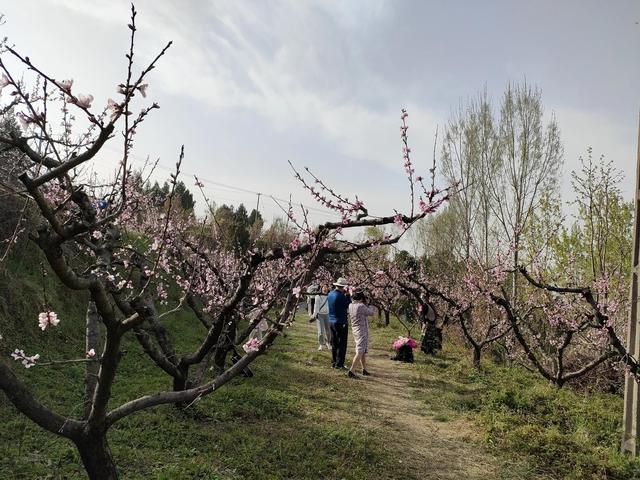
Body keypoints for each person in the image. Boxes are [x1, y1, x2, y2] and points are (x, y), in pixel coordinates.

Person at [347, 291, 376, 378]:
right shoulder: (361, 306)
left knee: (362, 350)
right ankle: (352, 370)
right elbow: (371, 313)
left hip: (355, 330)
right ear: (361, 298)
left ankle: (364, 369)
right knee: (360, 351)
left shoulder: (350, 305)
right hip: (361, 331)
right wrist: (371, 304)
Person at [327, 277, 351, 369]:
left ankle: (334, 362)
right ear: (343, 287)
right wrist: (348, 295)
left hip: (331, 320)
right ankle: (339, 364)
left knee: (334, 342)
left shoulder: (330, 294)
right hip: (341, 321)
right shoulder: (341, 296)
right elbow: (348, 304)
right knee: (342, 344)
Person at [311, 284, 331, 351]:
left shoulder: (329, 296)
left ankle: (328, 343)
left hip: (327, 314)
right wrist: (314, 315)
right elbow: (316, 307)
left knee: (328, 330)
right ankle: (321, 344)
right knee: (320, 331)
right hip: (320, 315)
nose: (325, 288)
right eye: (324, 287)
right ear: (321, 288)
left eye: (326, 287)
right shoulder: (318, 296)